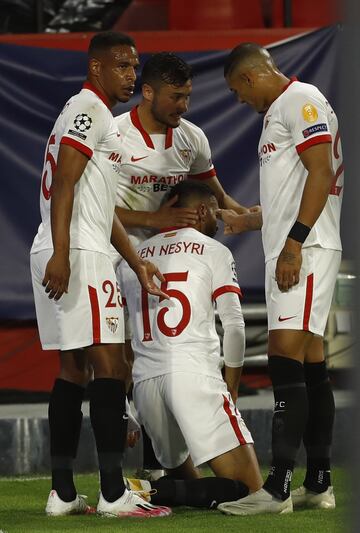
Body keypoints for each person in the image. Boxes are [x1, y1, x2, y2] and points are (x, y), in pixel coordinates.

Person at [30, 31, 171, 519]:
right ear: (97, 68)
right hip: (77, 253)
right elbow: (64, 182)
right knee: (110, 367)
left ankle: (63, 494)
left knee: (73, 371)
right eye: (124, 66)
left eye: (136, 66)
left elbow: (98, 202)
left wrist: (134, 260)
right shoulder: (88, 109)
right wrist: (65, 254)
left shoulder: (93, 116)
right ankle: (114, 492)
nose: (133, 74)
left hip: (70, 246)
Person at [112, 52, 260, 474]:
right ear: (148, 92)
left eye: (188, 96)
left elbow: (219, 197)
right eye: (176, 97)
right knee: (119, 356)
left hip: (170, 260)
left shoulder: (192, 138)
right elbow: (94, 208)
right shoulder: (115, 137)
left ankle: (156, 471)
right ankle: (123, 467)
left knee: (156, 357)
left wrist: (248, 217)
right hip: (119, 256)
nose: (184, 106)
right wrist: (151, 220)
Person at [216, 42, 342, 515]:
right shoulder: (279, 114)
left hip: (304, 250)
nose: (239, 102)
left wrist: (293, 244)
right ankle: (319, 482)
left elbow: (321, 172)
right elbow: (297, 189)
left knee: (283, 357)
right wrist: (252, 221)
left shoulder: (300, 100)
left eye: (236, 91)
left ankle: (277, 489)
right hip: (293, 245)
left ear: (250, 78)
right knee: (310, 365)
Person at [118, 179, 263, 508]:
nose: (220, 218)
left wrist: (125, 408)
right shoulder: (214, 251)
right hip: (195, 377)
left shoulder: (133, 258)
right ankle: (143, 492)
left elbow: (121, 342)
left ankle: (140, 489)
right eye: (216, 212)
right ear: (201, 211)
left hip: (146, 388)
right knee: (253, 492)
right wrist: (233, 386)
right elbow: (235, 327)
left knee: (192, 484)